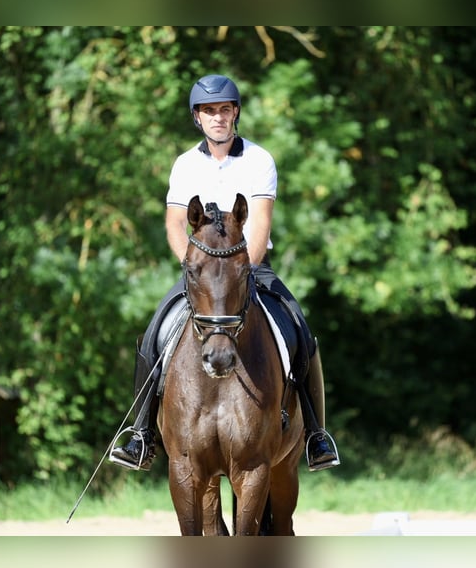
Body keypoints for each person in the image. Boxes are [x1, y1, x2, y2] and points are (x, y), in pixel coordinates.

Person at [110, 74, 340, 472]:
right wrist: (196, 269)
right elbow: (174, 224)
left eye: (224, 110)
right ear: (197, 118)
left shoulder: (258, 160)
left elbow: (261, 222)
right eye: (209, 111)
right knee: (153, 333)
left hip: (251, 268)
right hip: (200, 275)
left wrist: (239, 272)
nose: (218, 117)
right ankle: (142, 434)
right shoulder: (185, 164)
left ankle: (317, 435)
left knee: (300, 328)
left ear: (235, 114)